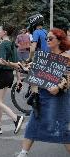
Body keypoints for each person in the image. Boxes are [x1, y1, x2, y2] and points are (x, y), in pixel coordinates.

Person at [16, 28, 70, 157]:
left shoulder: (66, 56)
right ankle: (23, 153)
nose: (47, 41)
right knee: (34, 122)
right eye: (47, 38)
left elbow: (69, 76)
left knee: (62, 126)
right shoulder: (45, 56)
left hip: (59, 98)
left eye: (50, 38)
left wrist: (59, 87)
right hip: (43, 96)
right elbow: (35, 71)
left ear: (59, 41)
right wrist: (20, 67)